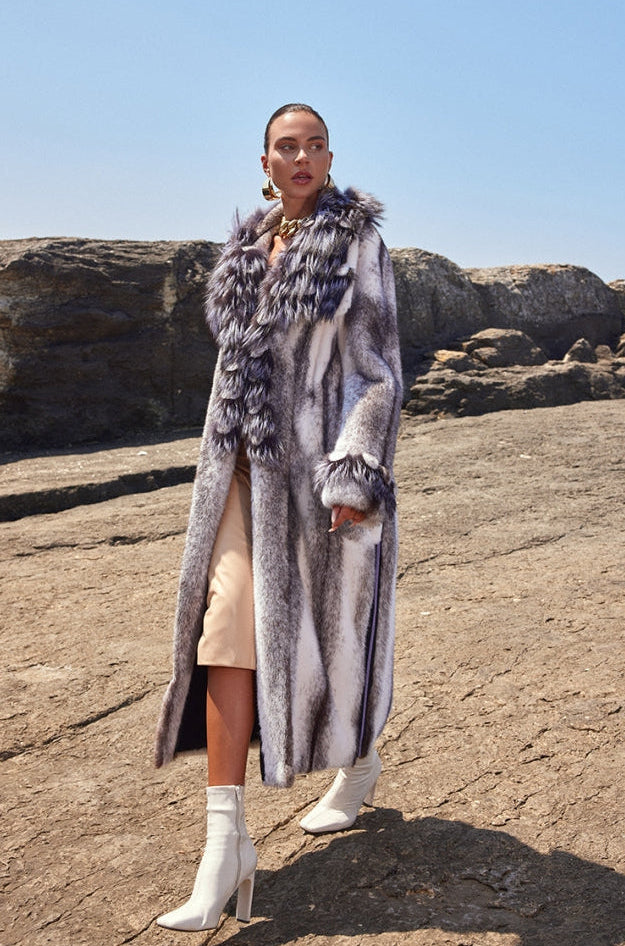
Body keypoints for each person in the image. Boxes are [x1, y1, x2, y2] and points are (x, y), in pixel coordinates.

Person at [154, 103, 402, 932]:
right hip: (236, 472)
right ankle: (226, 846)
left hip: (313, 480)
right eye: (285, 147)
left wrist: (352, 472)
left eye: (314, 146)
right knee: (226, 633)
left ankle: (357, 762)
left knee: (325, 644)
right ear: (263, 160)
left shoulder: (356, 242)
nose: (301, 158)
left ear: (330, 158)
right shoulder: (244, 247)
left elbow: (376, 372)